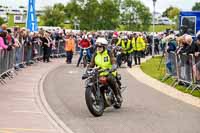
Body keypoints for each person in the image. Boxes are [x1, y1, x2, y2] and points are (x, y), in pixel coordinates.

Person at [88, 37, 122, 103]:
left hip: (109, 71)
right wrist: (87, 71)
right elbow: (91, 64)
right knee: (91, 80)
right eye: (97, 46)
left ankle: (117, 95)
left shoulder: (109, 53)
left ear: (104, 47)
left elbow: (113, 61)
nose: (98, 48)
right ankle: (97, 96)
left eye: (100, 46)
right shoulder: (95, 54)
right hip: (99, 73)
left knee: (110, 78)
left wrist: (113, 66)